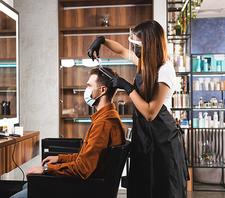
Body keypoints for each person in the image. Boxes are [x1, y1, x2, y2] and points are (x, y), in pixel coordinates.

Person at [87, 19, 189, 198]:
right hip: (144, 139)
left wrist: (128, 87)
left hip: (163, 141)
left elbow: (150, 112)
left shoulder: (165, 70)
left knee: (162, 190)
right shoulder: (145, 63)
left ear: (149, 44)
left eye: (136, 43)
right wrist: (101, 40)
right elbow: (121, 50)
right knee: (142, 188)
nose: (133, 48)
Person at [11, 67, 126, 198]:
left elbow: (83, 168)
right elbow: (85, 157)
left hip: (85, 187)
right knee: (28, 185)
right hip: (90, 183)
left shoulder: (103, 124)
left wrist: (46, 169)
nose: (86, 90)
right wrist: (59, 158)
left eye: (89, 86)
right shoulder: (108, 118)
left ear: (103, 90)